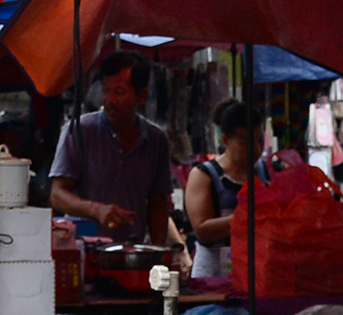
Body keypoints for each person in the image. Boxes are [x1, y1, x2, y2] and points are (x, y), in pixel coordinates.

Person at [49, 57, 177, 246]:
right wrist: (97, 210)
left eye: (119, 92)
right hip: (85, 248)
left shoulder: (156, 140)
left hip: (132, 252)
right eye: (106, 90)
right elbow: (57, 195)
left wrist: (158, 252)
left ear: (141, 96)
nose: (110, 100)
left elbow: (158, 202)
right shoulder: (79, 130)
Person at [176, 99, 262, 283]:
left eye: (259, 140)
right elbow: (202, 230)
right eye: (245, 142)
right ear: (226, 140)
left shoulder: (269, 173)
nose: (255, 149)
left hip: (257, 275)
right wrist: (253, 216)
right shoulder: (204, 175)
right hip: (213, 277)